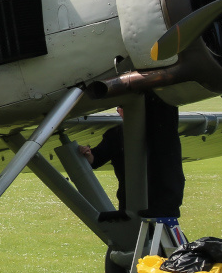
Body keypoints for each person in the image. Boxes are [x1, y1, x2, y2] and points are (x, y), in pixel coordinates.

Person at [79, 90, 185, 218]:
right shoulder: (115, 135)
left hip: (158, 205)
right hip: (130, 204)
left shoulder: (161, 132)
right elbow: (96, 159)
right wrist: (87, 154)